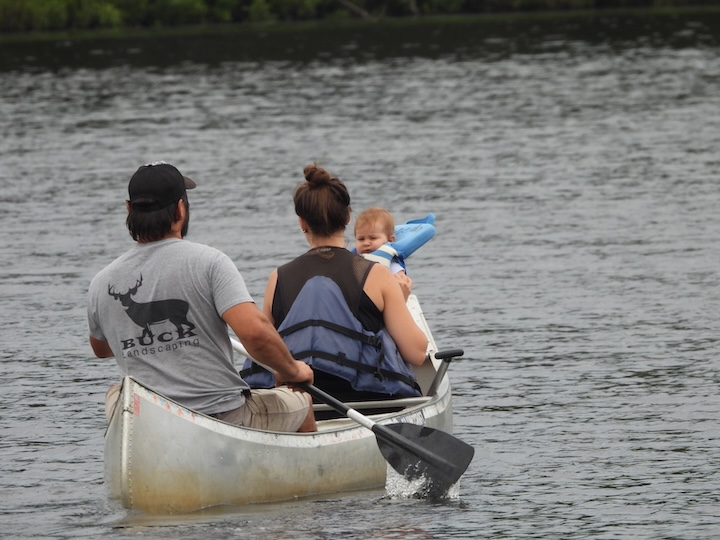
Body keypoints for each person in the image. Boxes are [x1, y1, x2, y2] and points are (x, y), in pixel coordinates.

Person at [87, 161, 317, 432]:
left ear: (129, 210)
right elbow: (255, 333)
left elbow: (101, 349)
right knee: (301, 400)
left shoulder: (101, 282)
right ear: (180, 209)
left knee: (117, 392)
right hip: (221, 415)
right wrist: (292, 371)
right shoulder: (210, 262)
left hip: (149, 423)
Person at [241, 164, 428, 404]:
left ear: (301, 222)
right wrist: (398, 302)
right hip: (371, 403)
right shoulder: (377, 275)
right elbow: (417, 353)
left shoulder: (278, 278)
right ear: (348, 216)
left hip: (301, 405)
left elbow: (266, 349)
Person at [354, 206, 407, 275]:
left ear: (390, 240)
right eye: (361, 239)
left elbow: (401, 279)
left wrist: (400, 276)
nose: (366, 243)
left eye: (373, 238)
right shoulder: (352, 262)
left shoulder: (392, 265)